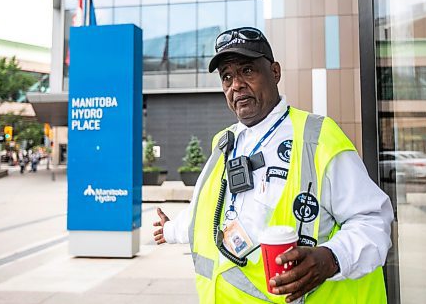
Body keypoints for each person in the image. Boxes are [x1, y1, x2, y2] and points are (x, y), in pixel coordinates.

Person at [154, 27, 394, 303]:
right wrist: (171, 230)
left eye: (247, 71)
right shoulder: (224, 143)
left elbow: (373, 221)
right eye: (227, 77)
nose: (236, 85)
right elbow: (207, 214)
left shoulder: (317, 137)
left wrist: (332, 259)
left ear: (275, 72)